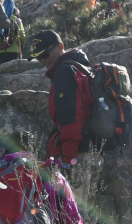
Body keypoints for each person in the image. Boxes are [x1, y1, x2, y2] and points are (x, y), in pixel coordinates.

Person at [29, 30, 95, 166]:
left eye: (45, 54)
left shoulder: (64, 72)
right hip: (88, 148)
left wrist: (67, 160)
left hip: (78, 154)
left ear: (60, 46)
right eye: (38, 57)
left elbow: (71, 118)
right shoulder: (78, 66)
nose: (42, 59)